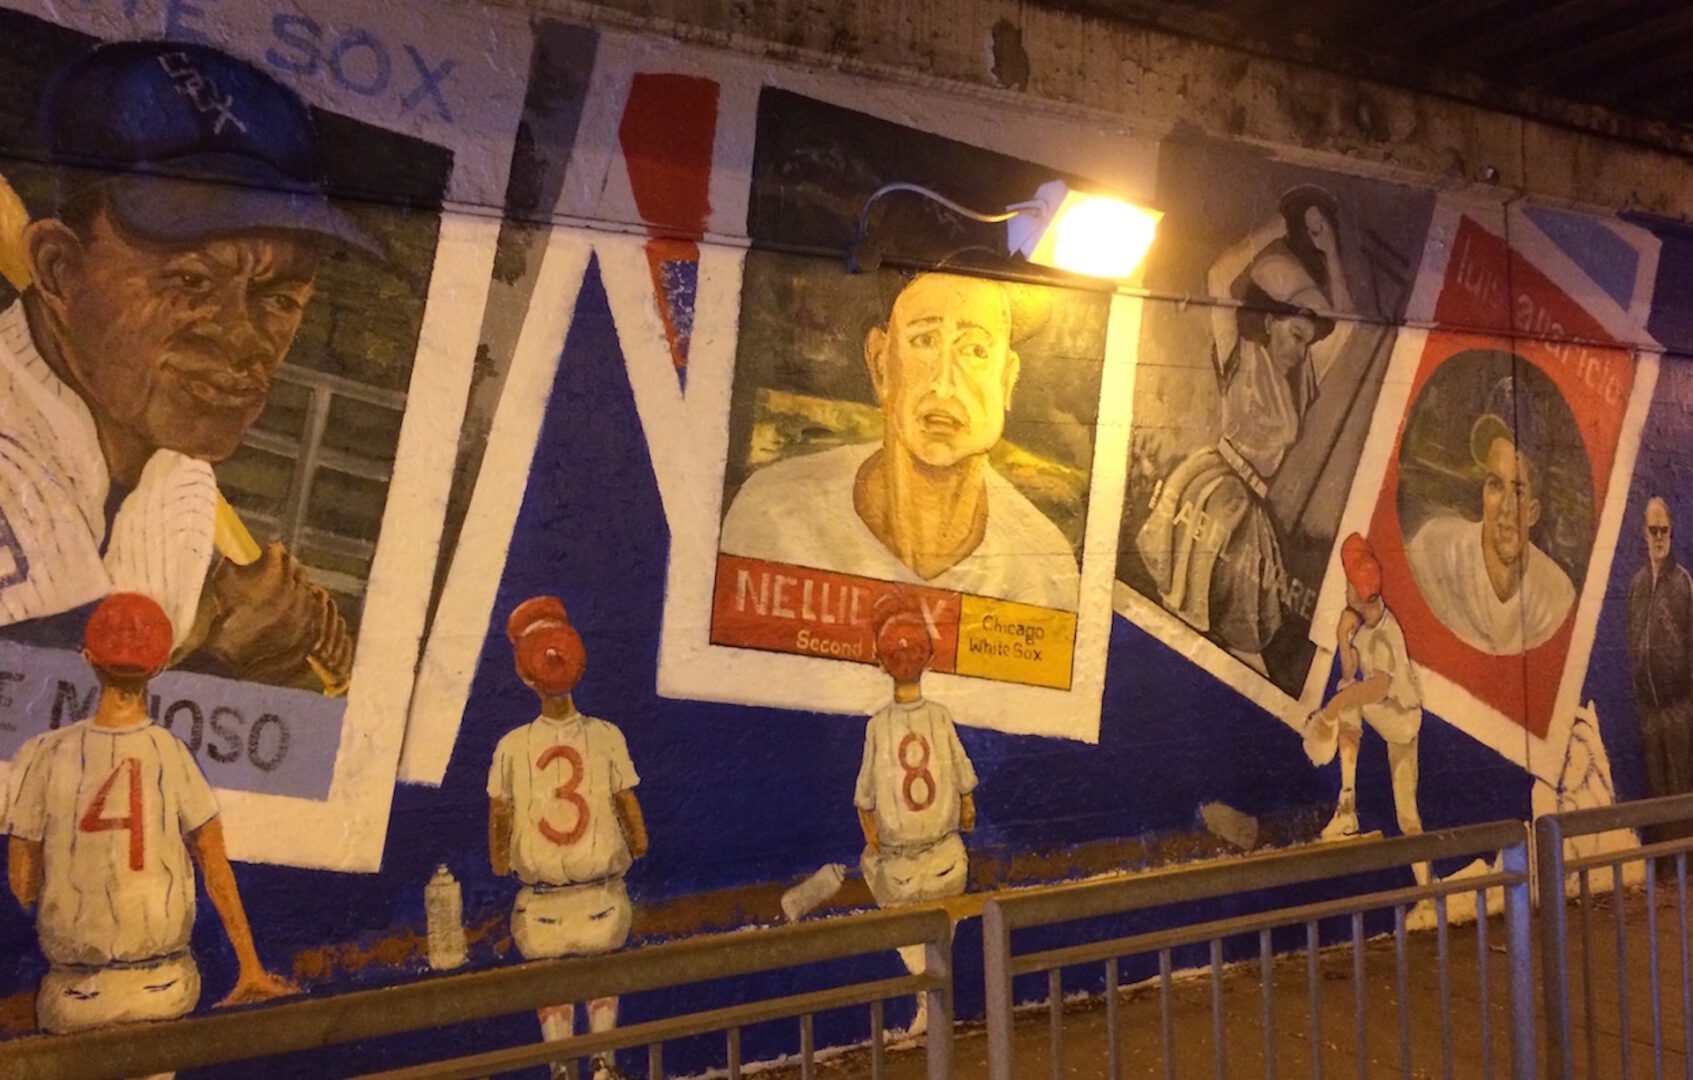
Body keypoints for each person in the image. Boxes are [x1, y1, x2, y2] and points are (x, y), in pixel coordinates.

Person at [0, 40, 377, 689]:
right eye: (191, 282)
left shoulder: (178, 474)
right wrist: (227, 652)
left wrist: (225, 628)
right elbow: (35, 726)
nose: (242, 339)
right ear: (59, 269)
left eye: (279, 298)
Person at [5, 592, 295, 1057]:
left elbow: (22, 884)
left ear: (88, 659)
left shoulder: (45, 754)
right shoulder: (171, 753)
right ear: (159, 668)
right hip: (165, 989)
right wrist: (250, 968)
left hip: (72, 996)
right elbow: (215, 867)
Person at [719, 271, 1079, 610]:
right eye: (925, 341)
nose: (944, 385)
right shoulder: (773, 515)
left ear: (1007, 379)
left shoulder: (1044, 567)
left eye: (975, 350)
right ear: (881, 364)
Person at [1136, 186, 1353, 664]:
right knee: (1194, 621)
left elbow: (1348, 328)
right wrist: (1278, 224)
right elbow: (1218, 276)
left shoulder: (1301, 383)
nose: (1299, 349)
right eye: (1295, 335)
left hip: (1250, 509)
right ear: (1271, 321)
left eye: (1307, 341)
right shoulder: (1240, 352)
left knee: (1240, 636)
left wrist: (1330, 250)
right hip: (1213, 490)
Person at [488, 596, 647, 1080]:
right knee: (601, 985)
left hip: (542, 908)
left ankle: (560, 1069)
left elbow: (499, 821)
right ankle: (603, 1066)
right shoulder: (607, 735)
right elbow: (631, 815)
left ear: (525, 676)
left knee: (553, 993)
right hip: (602, 901)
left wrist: (501, 863)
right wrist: (636, 847)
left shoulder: (511, 746)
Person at [855, 592, 977, 1037]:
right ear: (929, 658)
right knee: (940, 923)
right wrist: (959, 814)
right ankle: (937, 1000)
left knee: (874, 869)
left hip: (902, 873)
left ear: (880, 662)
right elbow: (967, 801)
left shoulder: (878, 726)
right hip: (948, 862)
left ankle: (928, 1000)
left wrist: (876, 843)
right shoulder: (941, 717)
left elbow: (865, 804)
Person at [1404, 380, 1575, 655]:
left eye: (1517, 491)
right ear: (1484, 491)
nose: (1505, 508)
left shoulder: (1556, 596)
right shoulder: (1435, 550)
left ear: (1533, 512)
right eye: (1495, 485)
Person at [1303, 534, 1424, 850]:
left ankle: (1347, 809)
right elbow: (1349, 674)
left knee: (1350, 699)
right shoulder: (1365, 625)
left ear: (1358, 593)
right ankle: (1348, 808)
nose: (1345, 591)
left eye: (1347, 586)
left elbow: (1377, 688)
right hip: (1390, 714)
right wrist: (1343, 639)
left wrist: (1333, 708)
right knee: (1408, 817)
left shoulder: (1383, 634)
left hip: (1403, 717)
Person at [1626, 497, 1693, 851]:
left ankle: (1687, 865)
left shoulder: (1683, 584)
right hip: (1649, 710)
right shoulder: (1637, 586)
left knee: (1681, 789)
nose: (1658, 537)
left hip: (1679, 707)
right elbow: (1631, 639)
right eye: (1653, 530)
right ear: (1643, 532)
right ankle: (1667, 867)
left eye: (1664, 530)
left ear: (1671, 532)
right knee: (1657, 792)